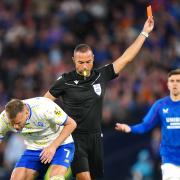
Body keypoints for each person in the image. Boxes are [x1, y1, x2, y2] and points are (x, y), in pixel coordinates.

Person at [44, 17, 154, 180]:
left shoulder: (101, 75)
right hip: (74, 138)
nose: (85, 66)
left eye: (88, 62)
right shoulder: (65, 80)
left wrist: (144, 32)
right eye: (80, 62)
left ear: (93, 58)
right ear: (74, 61)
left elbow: (126, 58)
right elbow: (44, 102)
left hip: (96, 137)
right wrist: (52, 128)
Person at [115, 69, 180, 180]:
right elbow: (145, 126)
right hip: (170, 160)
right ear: (168, 84)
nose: (175, 84)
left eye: (178, 81)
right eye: (172, 81)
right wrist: (130, 128)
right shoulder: (160, 105)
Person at [0, 97, 77, 180]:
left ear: (26, 112)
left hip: (60, 145)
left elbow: (72, 124)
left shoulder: (44, 107)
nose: (16, 127)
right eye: (12, 123)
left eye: (18, 123)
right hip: (34, 148)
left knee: (56, 178)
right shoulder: (4, 119)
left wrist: (53, 147)